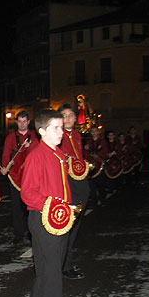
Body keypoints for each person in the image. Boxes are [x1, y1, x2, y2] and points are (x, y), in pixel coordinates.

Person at [21, 109, 78, 297]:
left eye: (61, 126)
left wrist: (66, 206)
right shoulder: (37, 155)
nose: (61, 131)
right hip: (45, 220)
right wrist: (53, 206)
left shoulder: (59, 153)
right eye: (55, 127)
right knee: (53, 274)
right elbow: (27, 193)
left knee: (46, 269)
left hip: (58, 218)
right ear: (42, 131)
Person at [57, 103, 90, 280]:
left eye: (71, 115)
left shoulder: (77, 135)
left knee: (75, 226)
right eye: (64, 115)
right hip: (67, 183)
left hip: (80, 182)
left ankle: (66, 261)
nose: (68, 118)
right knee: (67, 225)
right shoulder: (57, 135)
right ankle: (64, 265)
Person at [1, 111, 38, 243]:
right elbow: (6, 154)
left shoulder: (34, 136)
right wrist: (4, 167)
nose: (22, 124)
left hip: (30, 175)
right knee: (16, 206)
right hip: (15, 176)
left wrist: (28, 147)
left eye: (24, 121)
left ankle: (33, 233)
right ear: (17, 123)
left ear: (28, 122)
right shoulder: (10, 138)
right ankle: (18, 234)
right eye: (20, 121)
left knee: (31, 206)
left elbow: (37, 154)